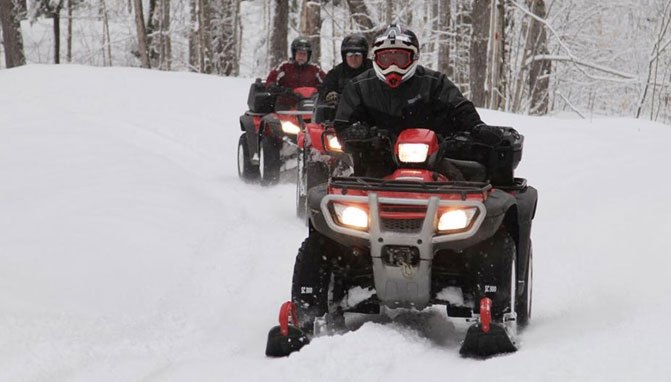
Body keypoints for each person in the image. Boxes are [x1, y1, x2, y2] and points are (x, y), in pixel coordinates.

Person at [334, 24, 503, 177]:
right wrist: (360, 134)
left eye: (400, 59)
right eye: (386, 59)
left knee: (465, 182)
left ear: (413, 58)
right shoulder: (358, 87)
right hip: (377, 158)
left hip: (432, 159)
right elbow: (342, 125)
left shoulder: (435, 82)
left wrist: (476, 127)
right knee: (354, 193)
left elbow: (459, 107)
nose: (393, 66)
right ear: (376, 59)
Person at [319, 34, 373, 105]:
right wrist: (329, 95)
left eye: (357, 55)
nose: (353, 58)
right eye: (350, 55)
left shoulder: (373, 69)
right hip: (342, 112)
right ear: (344, 56)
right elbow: (325, 89)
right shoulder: (336, 73)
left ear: (364, 55)